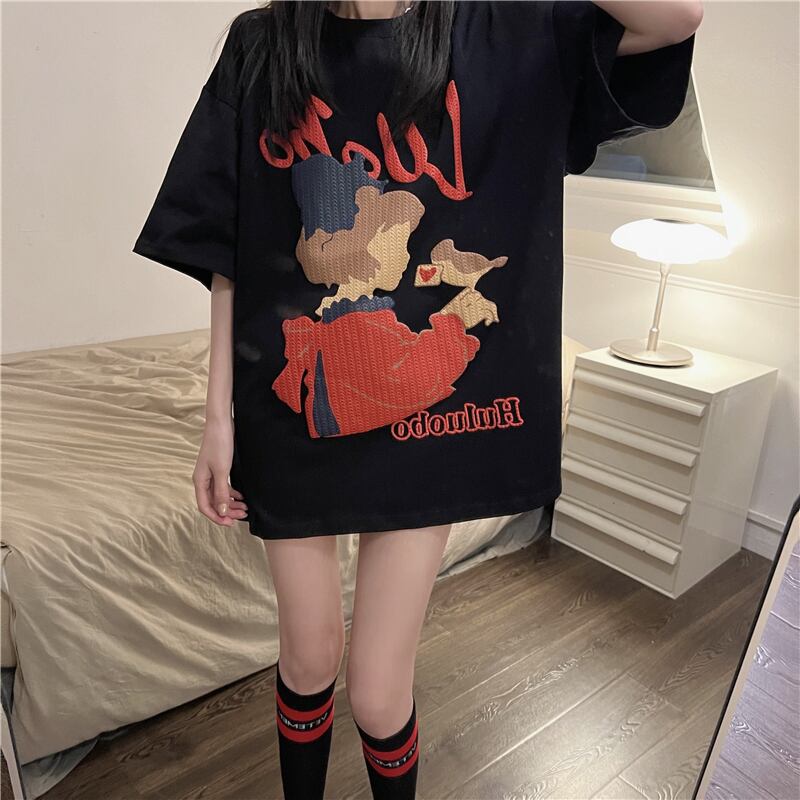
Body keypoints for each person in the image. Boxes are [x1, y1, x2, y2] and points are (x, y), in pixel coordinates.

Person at [132, 1, 701, 797]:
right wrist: (215, 420)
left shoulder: (501, 30)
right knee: (308, 658)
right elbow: (227, 243)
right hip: (290, 419)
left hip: (426, 430)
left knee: (377, 691)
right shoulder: (262, 43)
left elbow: (676, 16)